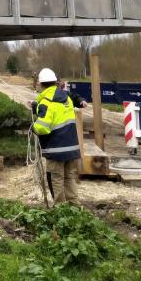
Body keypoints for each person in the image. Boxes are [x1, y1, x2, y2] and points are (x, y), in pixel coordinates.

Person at [31, 67, 87, 205]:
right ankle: (75, 208)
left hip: (55, 150)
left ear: (41, 84)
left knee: (57, 179)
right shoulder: (65, 97)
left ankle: (61, 211)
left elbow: (42, 127)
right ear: (55, 82)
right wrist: (35, 106)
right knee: (69, 178)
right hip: (71, 147)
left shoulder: (46, 101)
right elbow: (56, 113)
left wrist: (33, 127)